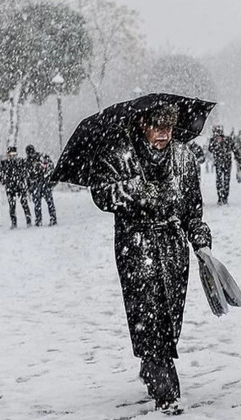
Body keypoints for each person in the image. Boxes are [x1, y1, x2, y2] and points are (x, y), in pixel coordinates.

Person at [89, 104, 213, 414]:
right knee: (149, 314)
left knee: (170, 318)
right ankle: (166, 391)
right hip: (136, 247)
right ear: (143, 125)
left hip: (173, 249)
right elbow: (102, 194)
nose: (164, 133)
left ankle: (150, 362)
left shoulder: (184, 158)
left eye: (169, 127)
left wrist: (200, 238)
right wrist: (135, 190)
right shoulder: (120, 153)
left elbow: (192, 208)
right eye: (157, 126)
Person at [0, 146, 32, 229]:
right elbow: (0, 175)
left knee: (24, 203)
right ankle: (14, 222)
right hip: (10, 187)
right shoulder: (4, 163)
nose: (13, 156)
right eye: (11, 154)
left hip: (20, 186)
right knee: (12, 205)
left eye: (14, 154)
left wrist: (27, 184)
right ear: (8, 155)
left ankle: (28, 220)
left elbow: (26, 173)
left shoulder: (21, 162)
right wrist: (4, 180)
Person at [25, 145, 57, 226]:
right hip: (37, 184)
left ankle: (49, 219)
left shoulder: (41, 158)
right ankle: (41, 220)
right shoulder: (28, 162)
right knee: (39, 204)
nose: (31, 155)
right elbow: (27, 176)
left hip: (43, 183)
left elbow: (50, 168)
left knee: (46, 203)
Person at [207, 125, 237, 205]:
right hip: (219, 164)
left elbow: (235, 150)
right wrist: (214, 143)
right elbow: (210, 149)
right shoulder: (213, 141)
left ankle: (225, 197)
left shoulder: (228, 140)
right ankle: (220, 197)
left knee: (226, 181)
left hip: (226, 163)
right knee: (219, 181)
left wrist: (239, 160)